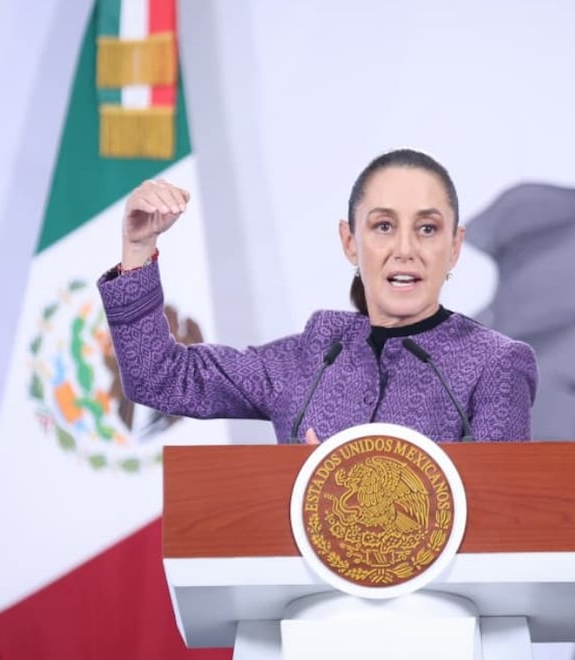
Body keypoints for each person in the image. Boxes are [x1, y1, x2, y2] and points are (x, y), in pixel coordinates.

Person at [96, 148, 538, 444]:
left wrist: (338, 490)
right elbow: (160, 378)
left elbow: (494, 519)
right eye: (383, 226)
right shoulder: (313, 355)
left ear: (455, 247)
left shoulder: (494, 364)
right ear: (350, 242)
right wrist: (138, 250)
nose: (405, 249)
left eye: (427, 229)